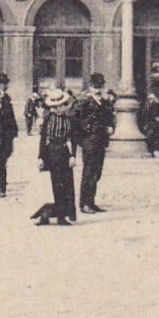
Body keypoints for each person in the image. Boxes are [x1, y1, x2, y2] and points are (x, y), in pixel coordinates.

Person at [32, 88, 76, 226]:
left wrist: (72, 155)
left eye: (62, 105)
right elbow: (43, 139)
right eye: (57, 106)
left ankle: (63, 215)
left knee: (67, 184)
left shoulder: (69, 120)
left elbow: (72, 139)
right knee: (55, 185)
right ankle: (49, 215)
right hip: (51, 152)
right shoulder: (48, 120)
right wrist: (40, 157)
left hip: (64, 151)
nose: (60, 108)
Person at [74, 73, 113, 213]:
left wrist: (110, 126)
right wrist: (85, 135)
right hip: (89, 141)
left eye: (100, 87)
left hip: (101, 141)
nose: (98, 90)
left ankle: (91, 201)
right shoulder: (84, 102)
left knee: (97, 172)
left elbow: (109, 117)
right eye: (95, 87)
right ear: (90, 87)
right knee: (89, 172)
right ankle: (84, 204)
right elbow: (75, 120)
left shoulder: (104, 102)